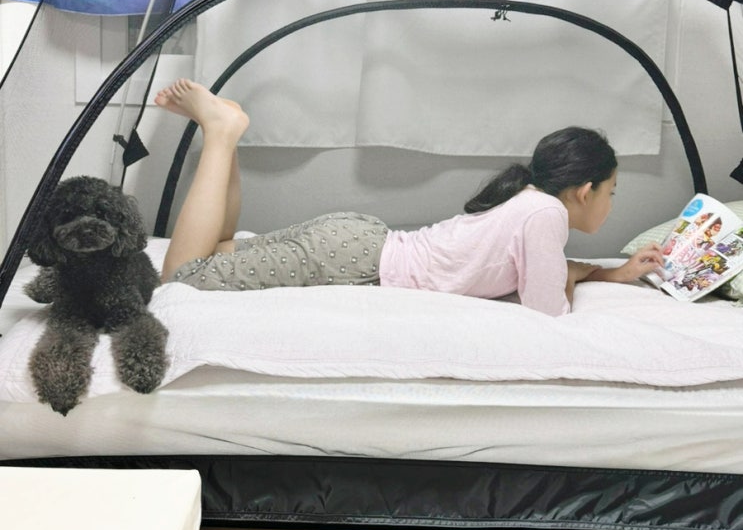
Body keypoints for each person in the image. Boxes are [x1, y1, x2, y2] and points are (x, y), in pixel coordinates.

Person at [155, 79, 664, 316]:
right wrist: (579, 281)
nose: (612, 203)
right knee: (184, 277)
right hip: (355, 261)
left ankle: (227, 132)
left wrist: (609, 273)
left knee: (218, 249)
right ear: (584, 191)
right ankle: (221, 131)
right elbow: (547, 310)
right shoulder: (546, 214)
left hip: (356, 242)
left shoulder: (531, 201)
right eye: (612, 192)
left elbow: (541, 269)